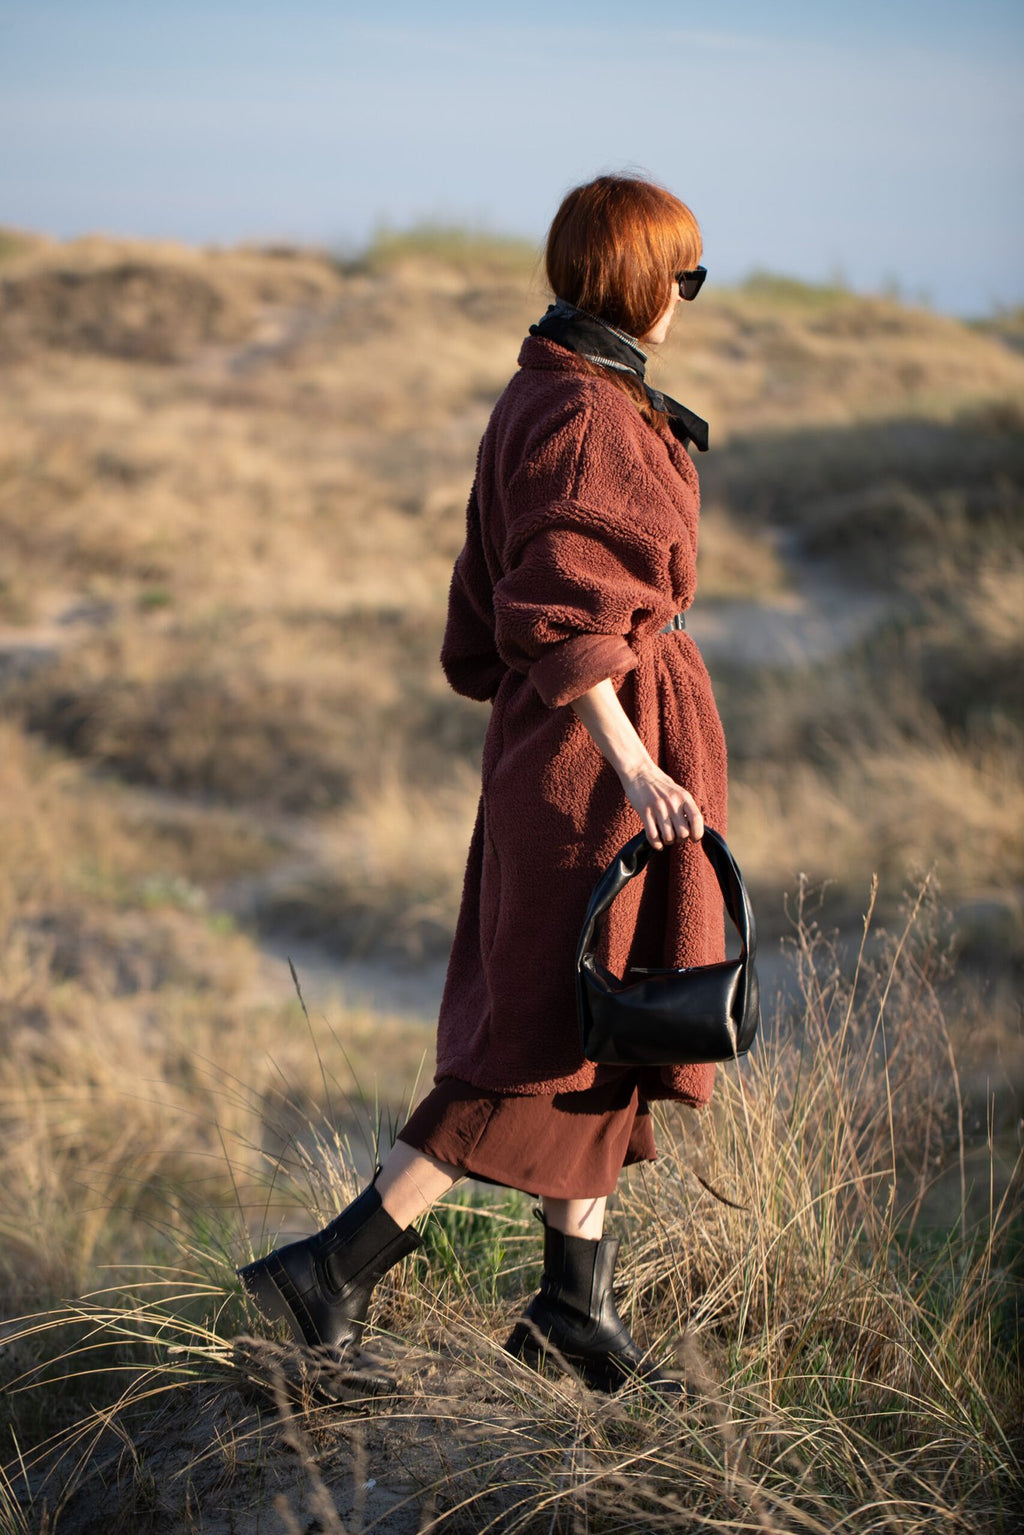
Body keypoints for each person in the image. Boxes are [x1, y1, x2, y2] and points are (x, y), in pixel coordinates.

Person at [239, 174, 728, 1396]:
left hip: (580, 751)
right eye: (681, 272)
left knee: (609, 1019)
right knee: (534, 1032)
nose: (687, 295)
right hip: (591, 766)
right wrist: (635, 762)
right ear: (633, 277)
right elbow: (556, 612)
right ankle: (331, 1269)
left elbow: (485, 608)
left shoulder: (559, 390)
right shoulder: (581, 411)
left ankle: (574, 1306)